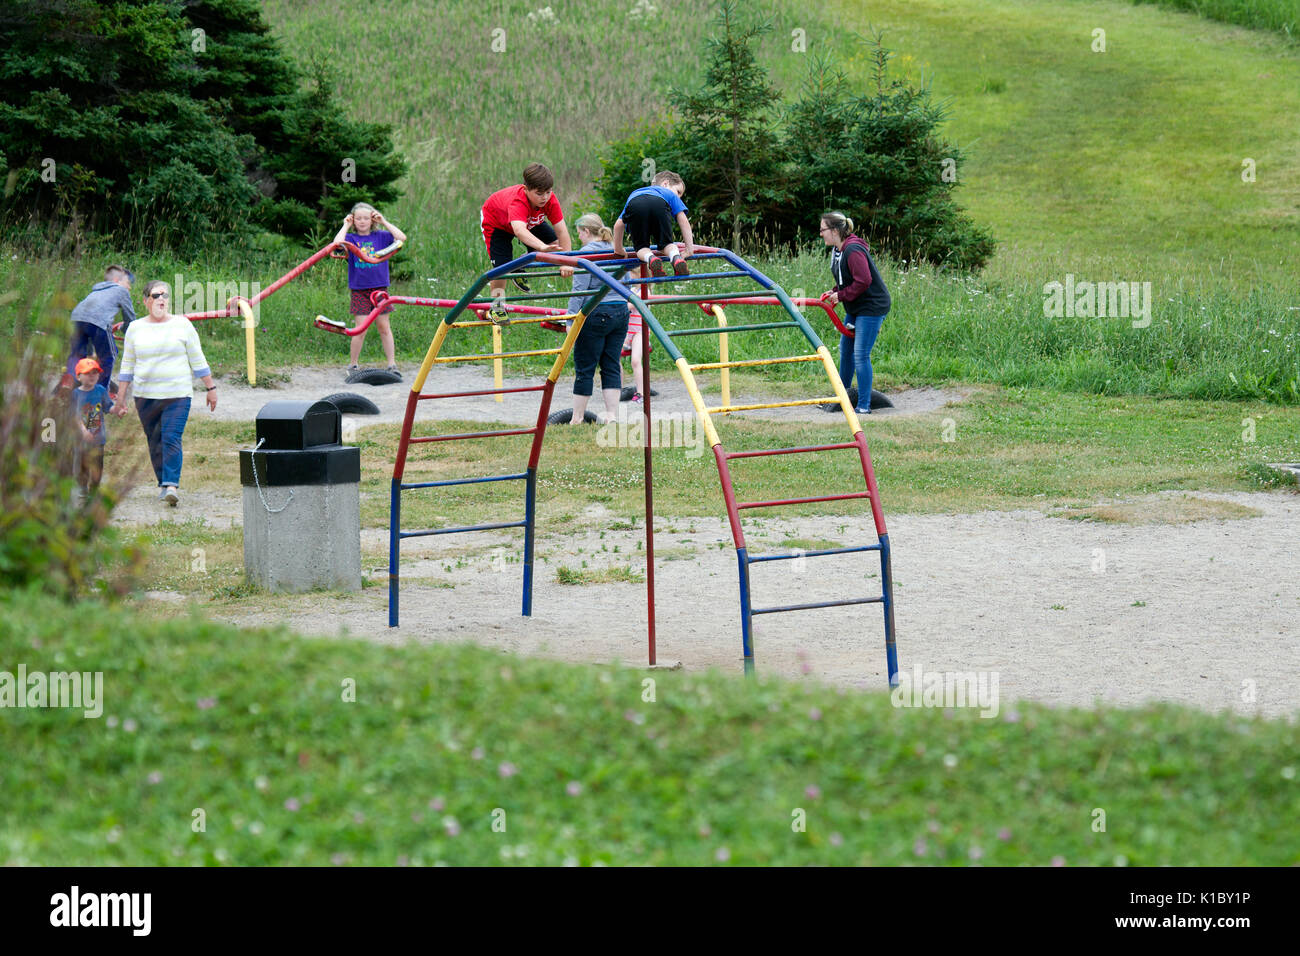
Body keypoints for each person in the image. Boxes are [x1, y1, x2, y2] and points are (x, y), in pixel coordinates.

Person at [114, 280, 217, 507]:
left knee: (171, 437)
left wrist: (211, 388)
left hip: (177, 394)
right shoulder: (135, 328)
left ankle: (171, 485)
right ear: (145, 301)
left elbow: (197, 359)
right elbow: (127, 366)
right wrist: (120, 399)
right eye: (156, 295)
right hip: (145, 395)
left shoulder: (182, 325)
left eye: (165, 295)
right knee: (155, 440)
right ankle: (163, 483)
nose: (161, 299)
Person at [479, 163, 573, 320]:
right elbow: (520, 231)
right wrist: (541, 246)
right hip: (497, 222)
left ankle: (519, 266)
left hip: (529, 220)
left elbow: (562, 231)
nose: (544, 198)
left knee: (555, 245)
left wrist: (567, 261)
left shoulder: (550, 200)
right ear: (526, 189)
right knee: (501, 269)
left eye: (548, 192)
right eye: (539, 193)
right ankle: (497, 306)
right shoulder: (518, 201)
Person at [819, 211, 890, 415]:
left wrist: (841, 296)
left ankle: (864, 406)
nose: (820, 234)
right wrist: (834, 290)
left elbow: (864, 280)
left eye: (823, 230)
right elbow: (848, 278)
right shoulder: (838, 250)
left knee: (860, 355)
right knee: (846, 351)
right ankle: (843, 398)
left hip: (871, 307)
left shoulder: (853, 250)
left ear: (834, 231)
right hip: (856, 306)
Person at [566, 214, 630, 425]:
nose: (579, 239)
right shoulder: (616, 247)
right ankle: (612, 415)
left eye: (579, 234)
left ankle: (577, 417)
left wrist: (570, 321)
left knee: (585, 366)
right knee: (611, 364)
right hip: (620, 311)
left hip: (595, 312)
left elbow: (580, 289)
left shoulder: (585, 253)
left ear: (585, 231)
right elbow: (627, 281)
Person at [333, 202, 407, 377]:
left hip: (380, 289)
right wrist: (346, 224)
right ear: (353, 219)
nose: (362, 221)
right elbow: (336, 244)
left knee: (384, 326)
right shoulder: (351, 239)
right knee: (361, 328)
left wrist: (384, 221)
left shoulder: (381, 236)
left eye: (366, 218)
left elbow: (401, 238)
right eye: (358, 218)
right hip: (359, 290)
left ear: (372, 220)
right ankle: (353, 365)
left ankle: (391, 364)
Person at [62, 265, 136, 391]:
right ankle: (100, 392)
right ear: (117, 280)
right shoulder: (121, 290)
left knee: (77, 355)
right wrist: (125, 329)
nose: (129, 287)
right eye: (128, 283)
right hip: (98, 322)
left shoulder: (96, 291)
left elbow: (87, 318)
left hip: (76, 318)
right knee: (109, 356)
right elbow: (131, 321)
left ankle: (68, 384)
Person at [612, 170, 695, 277]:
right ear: (665, 184)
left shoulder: (635, 193)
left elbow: (618, 225)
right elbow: (683, 221)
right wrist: (689, 249)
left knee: (641, 247)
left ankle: (651, 259)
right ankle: (676, 257)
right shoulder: (669, 194)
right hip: (660, 204)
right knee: (667, 244)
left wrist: (618, 250)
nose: (679, 197)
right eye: (678, 192)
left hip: (635, 204)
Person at [70, 357, 113, 503]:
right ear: (79, 376)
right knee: (81, 463)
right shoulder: (75, 394)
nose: (92, 376)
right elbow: (74, 416)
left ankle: (94, 490)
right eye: (88, 373)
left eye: (95, 372)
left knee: (97, 464)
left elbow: (108, 406)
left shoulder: (100, 390)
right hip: (81, 438)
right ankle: (82, 487)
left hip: (98, 437)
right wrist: (83, 431)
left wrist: (118, 410)